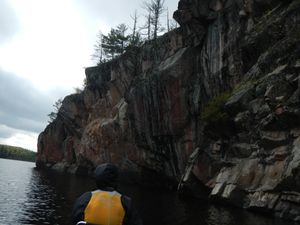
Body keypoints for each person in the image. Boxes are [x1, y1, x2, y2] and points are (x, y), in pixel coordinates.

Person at [72, 163, 143, 225]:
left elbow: (74, 220)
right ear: (116, 179)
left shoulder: (84, 199)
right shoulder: (126, 202)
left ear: (96, 178)